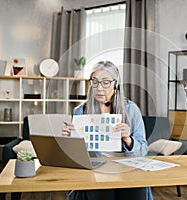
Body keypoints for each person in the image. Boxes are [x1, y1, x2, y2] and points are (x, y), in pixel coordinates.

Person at [62, 61, 153, 200]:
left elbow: (143, 150)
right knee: (101, 191)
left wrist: (128, 140)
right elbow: (75, 157)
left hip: (127, 170)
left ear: (115, 84)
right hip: (97, 171)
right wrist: (69, 140)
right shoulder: (80, 111)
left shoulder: (130, 109)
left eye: (105, 82)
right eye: (95, 82)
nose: (99, 88)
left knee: (135, 191)